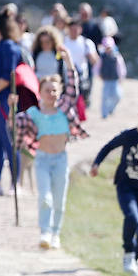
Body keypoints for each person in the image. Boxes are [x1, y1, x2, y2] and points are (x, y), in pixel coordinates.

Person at [91, 98, 138, 276]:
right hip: (126, 187)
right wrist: (96, 164)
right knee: (133, 218)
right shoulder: (130, 136)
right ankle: (128, 254)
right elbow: (109, 146)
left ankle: (137, 259)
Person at [20, 75, 83, 250]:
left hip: (61, 160)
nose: (51, 94)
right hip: (42, 160)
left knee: (59, 200)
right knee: (45, 198)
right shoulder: (34, 113)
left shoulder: (64, 110)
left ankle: (56, 233)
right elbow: (15, 124)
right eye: (47, 90)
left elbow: (73, 87)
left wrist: (68, 60)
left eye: (54, 90)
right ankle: (45, 232)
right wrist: (11, 105)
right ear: (39, 93)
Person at [0, 9, 25, 197]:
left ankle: (15, 183)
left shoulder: (9, 47)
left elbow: (9, 75)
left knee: (10, 142)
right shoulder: (1, 46)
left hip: (4, 102)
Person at [63, 17, 97, 117]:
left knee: (80, 101)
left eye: (76, 29)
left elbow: (95, 60)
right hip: (66, 77)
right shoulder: (63, 42)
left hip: (82, 78)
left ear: (80, 29)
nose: (74, 32)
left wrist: (91, 56)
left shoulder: (86, 43)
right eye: (72, 29)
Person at [94, 35, 127, 119]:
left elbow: (120, 67)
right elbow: (97, 66)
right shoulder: (102, 57)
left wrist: (121, 77)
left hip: (115, 80)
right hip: (106, 80)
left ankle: (111, 108)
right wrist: (98, 75)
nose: (108, 49)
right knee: (105, 97)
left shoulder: (116, 56)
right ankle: (104, 113)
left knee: (117, 95)